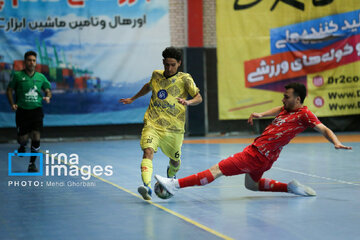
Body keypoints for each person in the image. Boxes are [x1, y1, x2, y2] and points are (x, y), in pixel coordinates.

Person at [155, 82, 352, 197]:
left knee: (216, 170)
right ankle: (290, 187)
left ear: (298, 100)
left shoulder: (304, 115)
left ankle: (175, 185)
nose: (283, 99)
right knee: (251, 185)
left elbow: (323, 128)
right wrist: (261, 114)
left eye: (286, 96)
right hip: (267, 158)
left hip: (255, 155)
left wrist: (335, 142)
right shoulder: (287, 108)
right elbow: (278, 109)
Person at [119, 47, 203, 200]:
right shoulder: (156, 75)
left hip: (174, 129)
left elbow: (199, 98)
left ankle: (170, 178)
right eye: (166, 64)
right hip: (153, 124)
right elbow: (148, 86)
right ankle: (146, 187)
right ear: (163, 62)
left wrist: (188, 102)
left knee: (175, 161)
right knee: (148, 151)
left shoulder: (185, 79)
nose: (169, 68)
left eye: (173, 65)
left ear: (179, 63)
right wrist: (133, 98)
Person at [6, 51, 52, 172]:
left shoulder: (41, 77)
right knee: (23, 138)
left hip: (36, 110)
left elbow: (47, 90)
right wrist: (12, 104)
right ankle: (22, 145)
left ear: (35, 62)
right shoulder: (17, 76)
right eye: (29, 60)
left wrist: (48, 96)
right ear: (25, 62)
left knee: (36, 135)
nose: (31, 62)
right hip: (22, 111)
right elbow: (9, 90)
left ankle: (32, 164)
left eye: (33, 60)